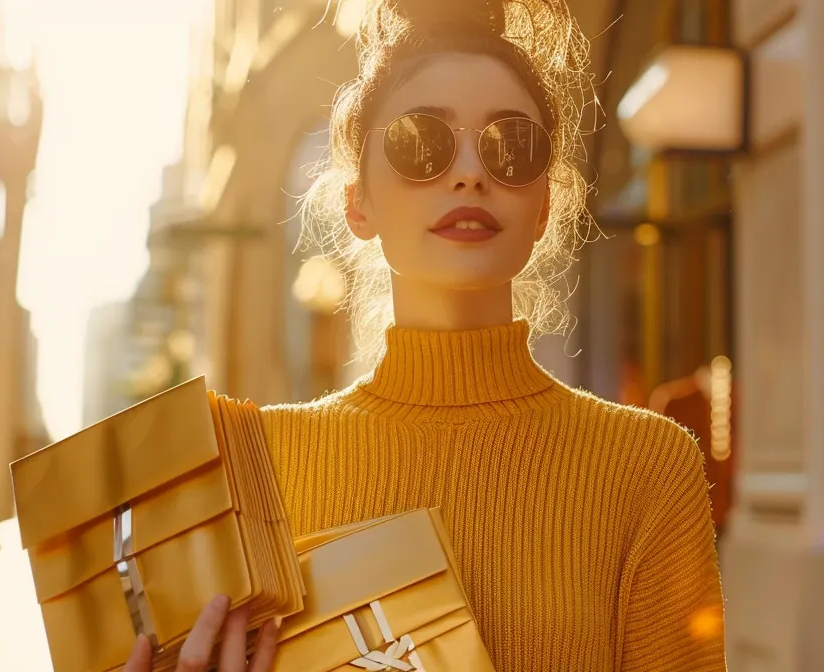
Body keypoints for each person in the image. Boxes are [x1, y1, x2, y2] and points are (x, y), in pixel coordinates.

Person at [124, 1, 726, 670]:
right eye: (420, 143)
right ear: (359, 203)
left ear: (544, 208)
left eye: (510, 146)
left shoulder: (647, 466)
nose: (470, 172)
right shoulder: (261, 467)